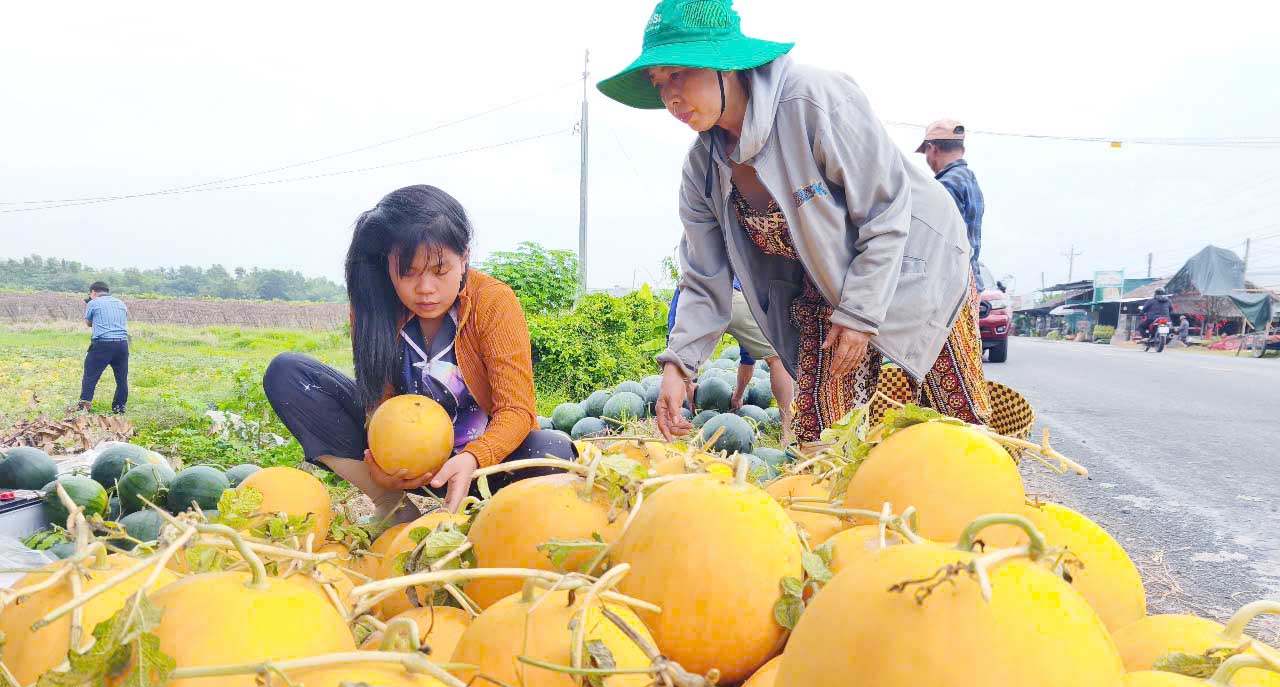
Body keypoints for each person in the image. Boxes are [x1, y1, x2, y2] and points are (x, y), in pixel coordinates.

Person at [598, 0, 990, 446]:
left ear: (726, 65)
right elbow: (705, 278)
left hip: (915, 263)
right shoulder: (702, 169)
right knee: (826, 438)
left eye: (678, 74)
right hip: (823, 288)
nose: (669, 96)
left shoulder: (814, 100)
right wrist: (679, 365)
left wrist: (861, 314)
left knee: (948, 423)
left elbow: (884, 210)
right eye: (658, 83)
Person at [263, 185, 574, 519]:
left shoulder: (493, 302)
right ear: (388, 266)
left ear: (464, 257)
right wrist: (378, 458)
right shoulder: (373, 307)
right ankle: (391, 504)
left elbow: (517, 409)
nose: (426, 289)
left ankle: (485, 512)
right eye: (407, 272)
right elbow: (377, 400)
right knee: (288, 374)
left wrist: (474, 457)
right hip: (403, 466)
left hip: (478, 466)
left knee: (552, 450)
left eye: (440, 271)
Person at [666, 277, 796, 442]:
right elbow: (747, 359)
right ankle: (788, 431)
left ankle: (675, 428)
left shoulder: (692, 272)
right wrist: (738, 396)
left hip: (701, 300)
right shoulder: (739, 262)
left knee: (679, 355)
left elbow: (676, 340)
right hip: (735, 296)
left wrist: (689, 386)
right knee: (776, 358)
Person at [917, 120, 985, 290]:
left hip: (951, 286)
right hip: (971, 280)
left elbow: (942, 244)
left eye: (926, 152)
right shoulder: (970, 179)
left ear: (933, 149)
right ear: (962, 150)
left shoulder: (944, 185)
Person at [79, 281, 130, 414]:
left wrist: (89, 304)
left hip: (102, 344)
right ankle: (119, 407)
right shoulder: (120, 303)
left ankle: (84, 405)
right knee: (121, 378)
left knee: (90, 375)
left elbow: (89, 323)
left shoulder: (93, 303)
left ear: (93, 292)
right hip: (122, 344)